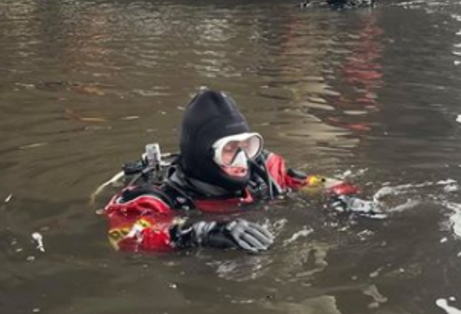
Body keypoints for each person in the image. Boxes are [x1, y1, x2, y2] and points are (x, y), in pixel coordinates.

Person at [103, 89, 358, 253]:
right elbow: (125, 236)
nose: (241, 159)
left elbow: (317, 182)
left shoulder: (265, 172)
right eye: (229, 149)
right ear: (203, 152)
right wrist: (200, 233)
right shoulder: (158, 199)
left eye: (245, 146)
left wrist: (344, 197)